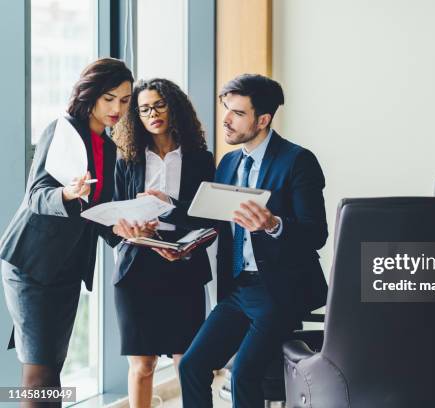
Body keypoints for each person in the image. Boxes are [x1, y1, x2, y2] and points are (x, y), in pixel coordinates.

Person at [0, 58, 148, 406]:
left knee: (52, 366)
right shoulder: (62, 129)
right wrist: (67, 193)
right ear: (91, 94)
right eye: (109, 98)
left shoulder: (109, 147)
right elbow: (36, 195)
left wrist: (128, 225)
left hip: (66, 269)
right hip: (31, 264)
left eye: (125, 100)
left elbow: (100, 214)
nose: (117, 108)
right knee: (40, 373)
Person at [176, 73, 329, 407]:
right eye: (226, 109)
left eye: (238, 113)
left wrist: (273, 224)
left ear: (263, 119)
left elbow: (316, 233)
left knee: (243, 373)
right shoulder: (229, 163)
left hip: (281, 289)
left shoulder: (298, 161)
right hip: (238, 288)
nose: (226, 120)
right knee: (192, 365)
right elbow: (214, 220)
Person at [111, 78, 216, 408]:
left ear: (174, 107)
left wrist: (170, 203)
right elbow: (116, 215)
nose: (152, 113)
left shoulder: (200, 158)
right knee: (142, 367)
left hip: (183, 264)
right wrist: (129, 225)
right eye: (143, 109)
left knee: (188, 362)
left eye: (159, 105)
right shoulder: (127, 160)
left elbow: (208, 217)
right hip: (136, 267)